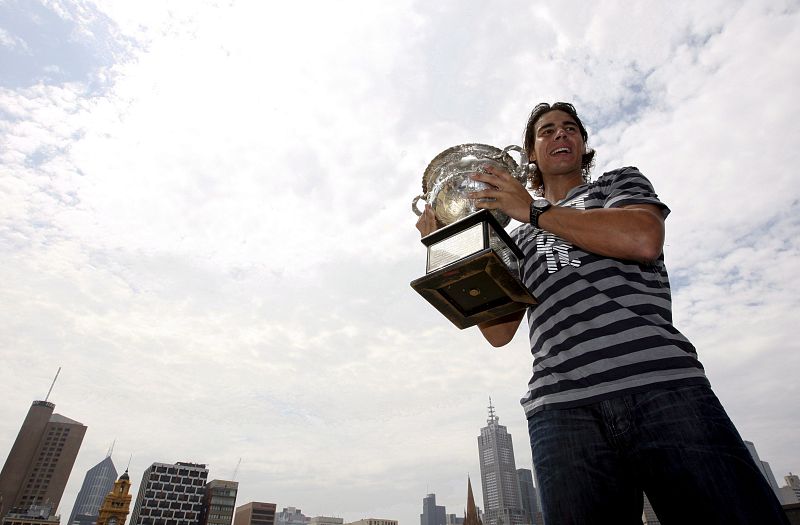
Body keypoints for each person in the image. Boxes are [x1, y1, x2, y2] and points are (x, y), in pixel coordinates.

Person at [415, 102, 789, 524]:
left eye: (570, 128)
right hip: (561, 408)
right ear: (530, 156)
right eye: (547, 131)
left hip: (662, 385)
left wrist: (535, 212)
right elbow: (498, 330)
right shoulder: (514, 235)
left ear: (582, 145)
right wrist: (450, 250)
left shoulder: (615, 186)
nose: (560, 134)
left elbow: (642, 239)